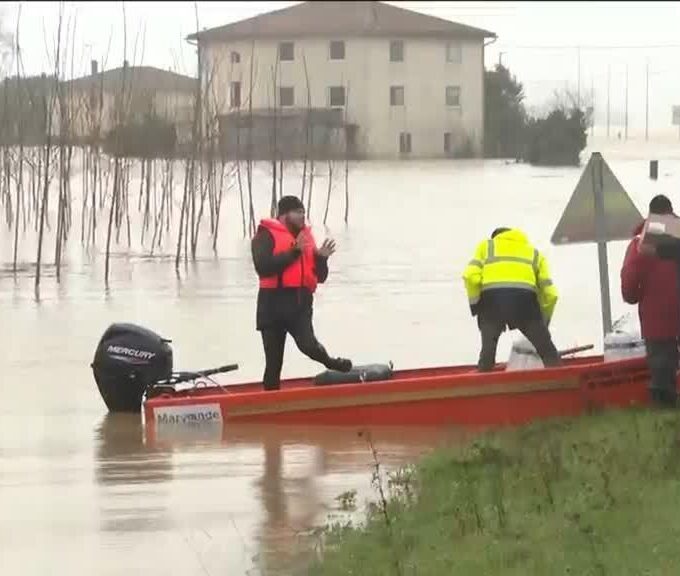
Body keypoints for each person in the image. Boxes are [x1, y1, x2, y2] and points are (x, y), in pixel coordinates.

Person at [251, 195, 352, 390]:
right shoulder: (264, 236)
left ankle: (331, 362)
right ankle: (270, 400)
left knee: (309, 346)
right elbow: (263, 267)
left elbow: (319, 277)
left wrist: (322, 259)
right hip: (271, 306)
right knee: (273, 363)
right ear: (284, 215)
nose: (302, 216)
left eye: (303, 212)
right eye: (298, 212)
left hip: (299, 304)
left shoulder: (306, 238)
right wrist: (294, 252)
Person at [462, 227, 561, 372]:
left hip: (492, 301)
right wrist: (542, 322)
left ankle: (484, 372)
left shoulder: (486, 246)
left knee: (487, 353)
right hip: (524, 301)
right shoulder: (535, 253)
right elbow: (551, 294)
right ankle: (560, 377)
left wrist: (475, 304)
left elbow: (470, 277)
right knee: (548, 352)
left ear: (495, 238)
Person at [621, 194, 680, 407]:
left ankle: (664, 405)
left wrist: (633, 297)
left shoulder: (641, 242)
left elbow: (629, 281)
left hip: (658, 316)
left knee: (661, 365)